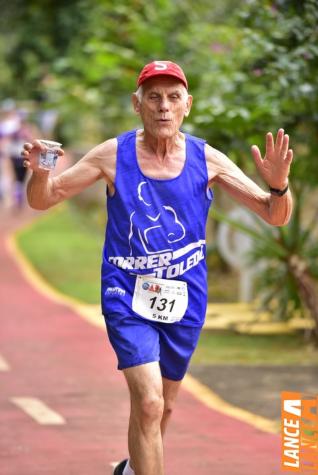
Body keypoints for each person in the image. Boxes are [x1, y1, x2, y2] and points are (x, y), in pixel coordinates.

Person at [22, 60, 293, 475]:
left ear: (187, 104)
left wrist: (279, 185)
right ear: (137, 104)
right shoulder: (113, 155)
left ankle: (130, 471)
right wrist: (42, 168)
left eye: (172, 97)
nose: (163, 107)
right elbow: (44, 199)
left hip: (185, 298)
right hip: (126, 293)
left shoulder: (208, 159)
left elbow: (275, 215)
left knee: (163, 408)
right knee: (148, 402)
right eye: (153, 97)